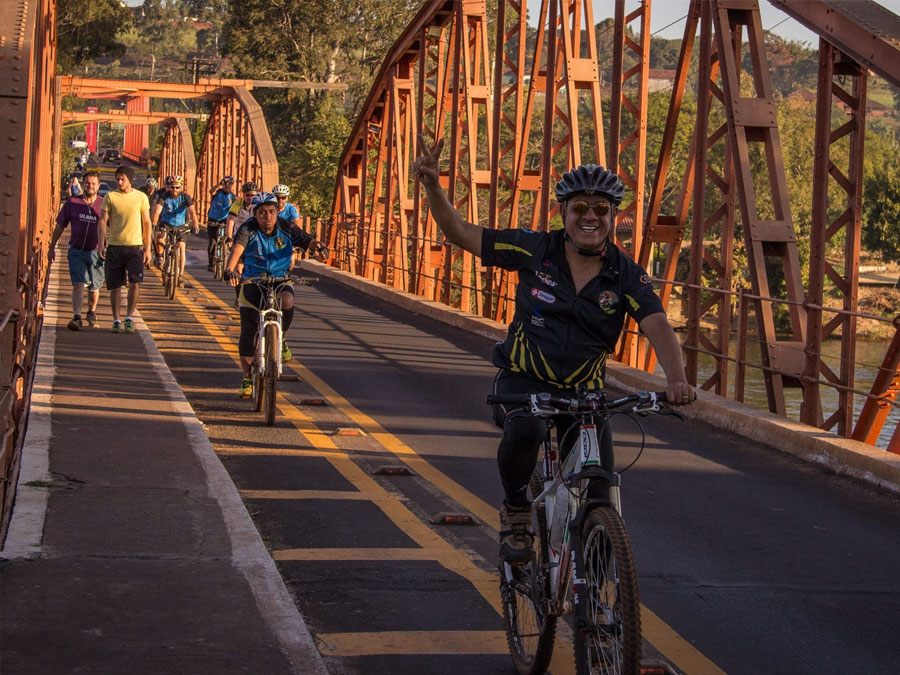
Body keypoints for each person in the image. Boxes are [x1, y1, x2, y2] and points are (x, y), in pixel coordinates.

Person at [412, 137, 695, 564]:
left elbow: (655, 323)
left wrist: (675, 379)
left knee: (600, 485)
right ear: (563, 212)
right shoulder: (534, 249)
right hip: (523, 380)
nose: (590, 217)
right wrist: (434, 186)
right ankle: (516, 510)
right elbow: (461, 233)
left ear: (613, 217)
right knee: (524, 431)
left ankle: (600, 601)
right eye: (579, 207)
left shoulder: (625, 275)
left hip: (584, 395)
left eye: (601, 209)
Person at [223, 192, 325, 398]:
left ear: (276, 212)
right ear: (255, 214)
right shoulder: (247, 229)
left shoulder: (287, 227)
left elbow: (307, 240)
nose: (267, 216)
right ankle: (246, 376)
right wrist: (230, 269)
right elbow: (237, 250)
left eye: (271, 211)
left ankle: (282, 338)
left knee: (287, 300)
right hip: (253, 280)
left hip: (280, 279)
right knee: (248, 329)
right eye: (261, 213)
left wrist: (319, 247)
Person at [97, 165, 152, 334]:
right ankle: (116, 319)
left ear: (130, 179)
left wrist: (148, 248)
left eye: (123, 179)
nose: (120, 182)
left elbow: (147, 222)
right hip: (115, 246)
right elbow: (102, 220)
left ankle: (128, 317)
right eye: (118, 179)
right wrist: (101, 244)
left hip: (134, 247)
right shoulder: (110, 196)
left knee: (135, 283)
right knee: (115, 286)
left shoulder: (141, 197)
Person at [49, 170, 105, 330]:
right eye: (87, 182)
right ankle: (77, 317)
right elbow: (60, 225)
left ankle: (91, 312)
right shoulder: (72, 203)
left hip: (96, 251)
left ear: (98, 186)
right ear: (83, 184)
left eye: (93, 183)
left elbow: (114, 227)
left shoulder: (104, 204)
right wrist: (52, 247)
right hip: (76, 250)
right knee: (79, 282)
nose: (90, 186)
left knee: (95, 286)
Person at [151, 175, 199, 284]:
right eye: (172, 187)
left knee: (181, 248)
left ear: (181, 187)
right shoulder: (164, 196)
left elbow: (192, 211)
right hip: (166, 224)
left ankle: (180, 275)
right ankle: (160, 257)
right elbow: (157, 211)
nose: (174, 190)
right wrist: (154, 224)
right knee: (159, 239)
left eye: (177, 187)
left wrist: (195, 225)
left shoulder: (185, 197)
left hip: (180, 225)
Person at [206, 175, 236, 271]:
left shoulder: (233, 197)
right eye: (225, 184)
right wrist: (219, 184)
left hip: (225, 220)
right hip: (213, 218)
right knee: (213, 241)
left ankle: (225, 255)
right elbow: (211, 191)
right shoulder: (218, 192)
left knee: (227, 238)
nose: (227, 186)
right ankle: (211, 263)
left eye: (229, 184)